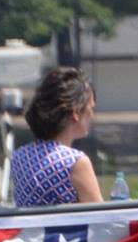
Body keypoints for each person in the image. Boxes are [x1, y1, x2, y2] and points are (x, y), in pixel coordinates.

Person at [8, 67, 103, 207]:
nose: (92, 116)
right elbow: (102, 217)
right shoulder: (75, 162)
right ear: (76, 113)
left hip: (29, 229)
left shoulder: (18, 157)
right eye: (91, 109)